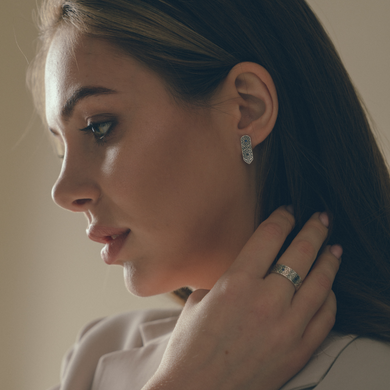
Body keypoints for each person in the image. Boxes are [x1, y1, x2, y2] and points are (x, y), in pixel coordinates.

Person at [27, 0, 390, 389]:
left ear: (246, 108)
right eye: (62, 151)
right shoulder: (95, 356)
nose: (63, 192)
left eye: (100, 127)